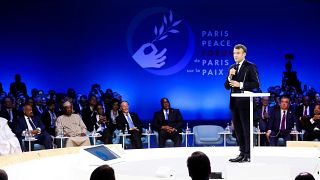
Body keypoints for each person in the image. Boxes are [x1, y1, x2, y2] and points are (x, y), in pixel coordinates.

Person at [224, 44, 260, 162]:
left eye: (238, 53)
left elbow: (256, 84)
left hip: (246, 104)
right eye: (234, 53)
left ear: (244, 54)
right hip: (235, 103)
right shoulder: (232, 67)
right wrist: (230, 77)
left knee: (246, 130)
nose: (235, 55)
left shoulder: (250, 66)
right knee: (238, 130)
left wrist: (241, 85)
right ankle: (241, 153)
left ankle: (248, 154)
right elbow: (226, 87)